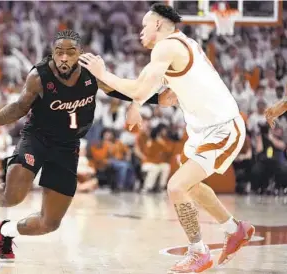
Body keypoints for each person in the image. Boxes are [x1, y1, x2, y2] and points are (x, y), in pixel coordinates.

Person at [0, 30, 163, 261]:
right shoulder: (39, 76)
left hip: (68, 145)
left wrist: (159, 98)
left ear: (80, 54)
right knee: (13, 196)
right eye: (59, 52)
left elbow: (122, 89)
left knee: (50, 223)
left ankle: (5, 231)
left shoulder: (91, 73)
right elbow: (19, 107)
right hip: (37, 138)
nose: (64, 58)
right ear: (53, 53)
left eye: (70, 52)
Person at [79, 4, 255, 273]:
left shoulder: (167, 47)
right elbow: (163, 97)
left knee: (176, 187)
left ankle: (199, 252)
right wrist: (136, 103)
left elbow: (140, 88)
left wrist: (104, 75)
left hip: (221, 128)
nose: (140, 32)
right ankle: (235, 229)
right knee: (192, 187)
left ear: (158, 25)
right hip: (203, 129)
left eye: (144, 26)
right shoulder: (181, 46)